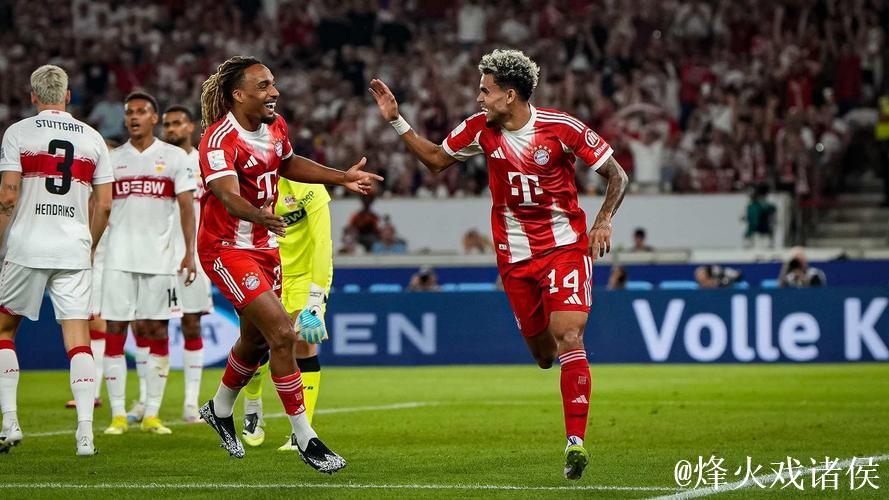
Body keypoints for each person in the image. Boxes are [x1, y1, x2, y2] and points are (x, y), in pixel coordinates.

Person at [370, 48, 628, 480]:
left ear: (509, 95)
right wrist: (397, 120)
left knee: (569, 334)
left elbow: (617, 174)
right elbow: (435, 160)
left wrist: (602, 220)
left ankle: (575, 443)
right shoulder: (480, 129)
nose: (479, 98)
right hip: (514, 259)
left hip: (565, 248)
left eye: (485, 91)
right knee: (544, 356)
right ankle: (560, 365)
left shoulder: (561, 128)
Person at [196, 55, 380, 472]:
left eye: (273, 84)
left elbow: (289, 163)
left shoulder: (275, 126)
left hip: (264, 246)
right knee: (282, 333)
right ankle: (305, 438)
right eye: (263, 86)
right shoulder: (218, 139)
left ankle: (219, 408)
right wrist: (259, 215)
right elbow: (227, 195)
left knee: (256, 341)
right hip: (226, 247)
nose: (274, 92)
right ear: (237, 95)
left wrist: (341, 177)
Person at [0, 65, 113, 455]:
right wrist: (90, 245)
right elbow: (105, 205)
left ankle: (10, 422)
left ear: (33, 96)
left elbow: (8, 195)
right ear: (67, 96)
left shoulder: (18, 133)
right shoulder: (93, 138)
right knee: (78, 338)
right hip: (73, 248)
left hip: (27, 245)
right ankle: (85, 434)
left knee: (4, 330)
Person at [101, 91, 197, 436]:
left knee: (157, 331)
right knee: (115, 330)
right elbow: (101, 206)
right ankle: (117, 415)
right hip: (117, 258)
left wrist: (189, 252)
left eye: (141, 111)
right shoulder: (112, 159)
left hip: (160, 259)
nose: (133, 117)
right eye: (129, 112)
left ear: (154, 118)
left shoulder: (174, 158)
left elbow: (187, 207)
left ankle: (152, 413)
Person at [240, 180, 333, 450]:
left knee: (303, 341)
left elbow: (322, 242)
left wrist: (315, 300)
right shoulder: (249, 180)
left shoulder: (308, 184)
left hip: (306, 273)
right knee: (256, 342)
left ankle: (301, 432)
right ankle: (253, 406)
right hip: (266, 268)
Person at [162, 105, 214, 423]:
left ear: (190, 126)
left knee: (191, 323)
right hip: (157, 254)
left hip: (193, 255)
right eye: (167, 124)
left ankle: (191, 403)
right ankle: (146, 403)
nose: (171, 129)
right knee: (149, 326)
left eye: (177, 123)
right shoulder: (156, 162)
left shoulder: (203, 163)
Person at [743, 184, 776, 249]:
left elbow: (771, 218)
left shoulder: (767, 206)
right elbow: (748, 219)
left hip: (764, 233)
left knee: (765, 248)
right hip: (754, 235)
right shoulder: (751, 206)